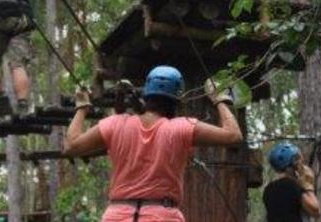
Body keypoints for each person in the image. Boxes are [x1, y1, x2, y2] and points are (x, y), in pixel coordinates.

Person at [64, 66, 243, 222]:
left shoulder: (116, 123)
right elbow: (233, 135)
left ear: (147, 95)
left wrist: (82, 108)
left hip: (117, 215)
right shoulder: (182, 127)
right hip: (161, 215)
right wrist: (219, 99)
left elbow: (71, 146)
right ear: (177, 101)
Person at [263, 142, 321, 221]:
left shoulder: (268, 190)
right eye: (298, 162)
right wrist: (308, 184)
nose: (301, 166)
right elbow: (316, 210)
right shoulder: (291, 186)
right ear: (292, 165)